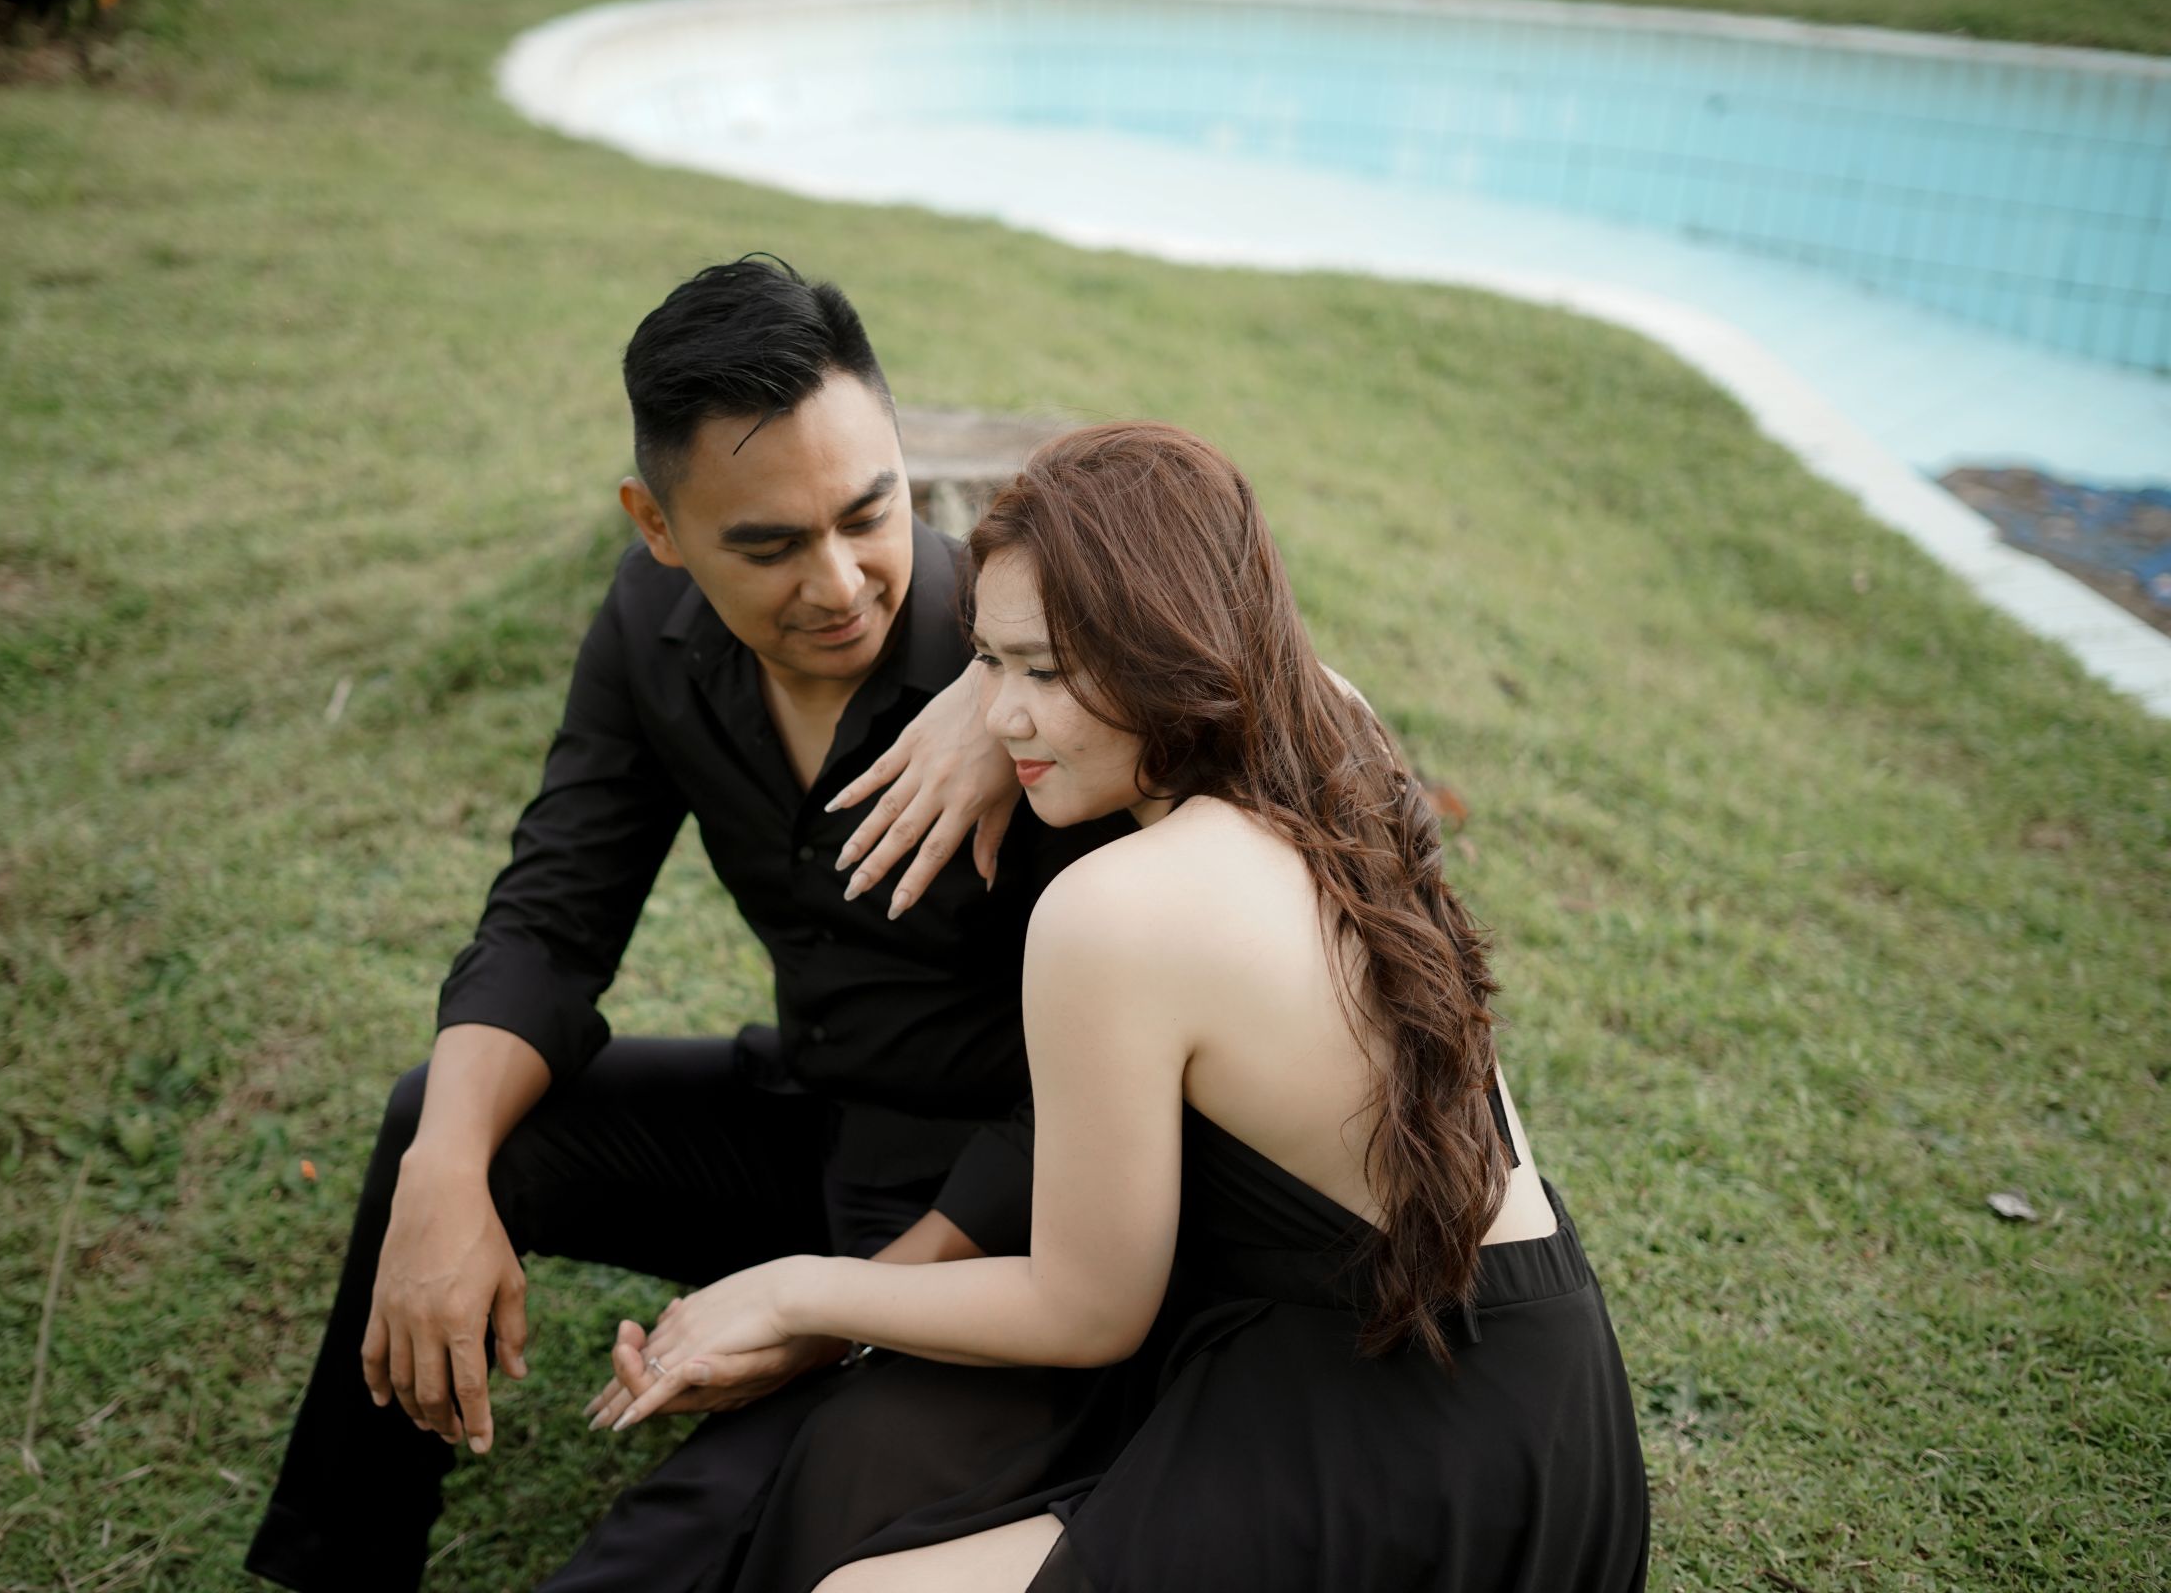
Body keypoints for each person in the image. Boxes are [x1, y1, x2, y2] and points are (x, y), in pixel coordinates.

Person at [597, 421, 1653, 1591]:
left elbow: (1084, 1312)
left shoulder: (1115, 911)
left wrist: (796, 1288)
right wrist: (1017, 681)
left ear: (1171, 648)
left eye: (1046, 672)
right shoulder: (1336, 735)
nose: (1000, 718)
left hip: (1397, 1450)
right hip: (1551, 1410)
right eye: (985, 662)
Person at [245, 257, 1125, 1593]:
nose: (839, 582)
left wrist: (835, 1315)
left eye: (869, 513)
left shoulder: (1035, 682)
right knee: (451, 1118)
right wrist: (443, 1176)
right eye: (768, 547)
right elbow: (553, 919)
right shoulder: (651, 623)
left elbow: (1088, 1099)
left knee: (673, 1544)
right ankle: (338, 1562)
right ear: (657, 525)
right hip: (813, 1120)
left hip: (1005, 1220)